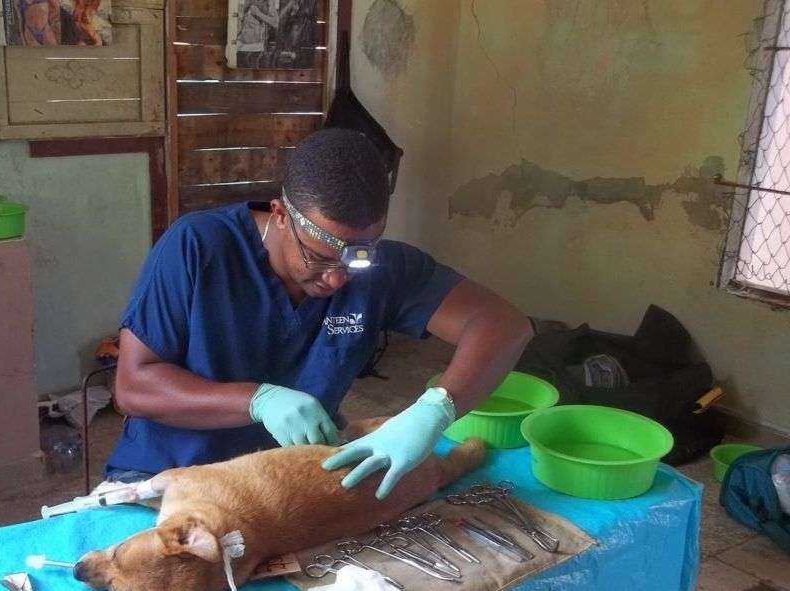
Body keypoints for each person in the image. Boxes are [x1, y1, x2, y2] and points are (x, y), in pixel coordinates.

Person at [104, 129, 533, 498]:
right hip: (166, 478)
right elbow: (133, 386)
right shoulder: (198, 247)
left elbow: (504, 326)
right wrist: (256, 400)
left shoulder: (384, 271)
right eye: (320, 259)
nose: (337, 281)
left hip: (284, 481)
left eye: (357, 259)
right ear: (281, 216)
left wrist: (435, 410)